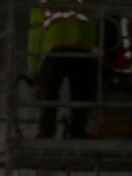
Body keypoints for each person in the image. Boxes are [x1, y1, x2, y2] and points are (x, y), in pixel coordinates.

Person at [29, 0, 97, 139]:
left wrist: (35, 71)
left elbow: (34, 37)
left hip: (54, 50)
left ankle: (46, 133)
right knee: (82, 95)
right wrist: (93, 55)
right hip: (81, 50)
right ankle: (78, 131)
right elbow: (92, 29)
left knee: (49, 95)